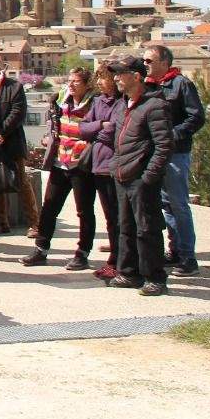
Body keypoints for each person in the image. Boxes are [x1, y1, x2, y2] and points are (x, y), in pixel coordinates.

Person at [23, 66, 116, 270]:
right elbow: (55, 125)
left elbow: (92, 129)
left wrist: (87, 132)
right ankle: (41, 249)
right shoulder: (59, 100)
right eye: (70, 81)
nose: (71, 85)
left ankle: (82, 253)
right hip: (60, 161)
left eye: (76, 82)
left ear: (86, 84)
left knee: (84, 211)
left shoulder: (95, 102)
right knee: (49, 208)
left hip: (82, 164)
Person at [107, 56, 174, 295]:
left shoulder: (154, 106)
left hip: (141, 178)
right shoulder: (122, 105)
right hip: (122, 175)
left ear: (136, 76)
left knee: (147, 228)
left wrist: (148, 177)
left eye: (120, 74)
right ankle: (128, 273)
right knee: (125, 227)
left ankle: (155, 277)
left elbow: (164, 146)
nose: (115, 78)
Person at [145, 43, 206, 276]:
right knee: (166, 205)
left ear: (164, 62)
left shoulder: (181, 84)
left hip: (175, 153)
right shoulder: (149, 87)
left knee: (179, 205)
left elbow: (196, 117)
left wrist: (172, 135)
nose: (145, 65)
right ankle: (176, 250)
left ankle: (188, 258)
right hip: (155, 154)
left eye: (149, 61)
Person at [0, 52, 37, 238]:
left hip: (12, 143)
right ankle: (1, 222)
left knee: (22, 182)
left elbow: (17, 113)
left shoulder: (15, 87)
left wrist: (1, 132)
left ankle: (34, 224)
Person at [84, 66, 124, 282]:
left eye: (103, 78)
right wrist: (100, 125)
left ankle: (118, 260)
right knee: (110, 217)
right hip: (98, 165)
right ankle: (114, 257)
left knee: (118, 217)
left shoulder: (121, 102)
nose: (99, 83)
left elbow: (114, 132)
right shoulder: (98, 102)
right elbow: (83, 127)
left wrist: (96, 131)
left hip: (113, 165)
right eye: (98, 78)